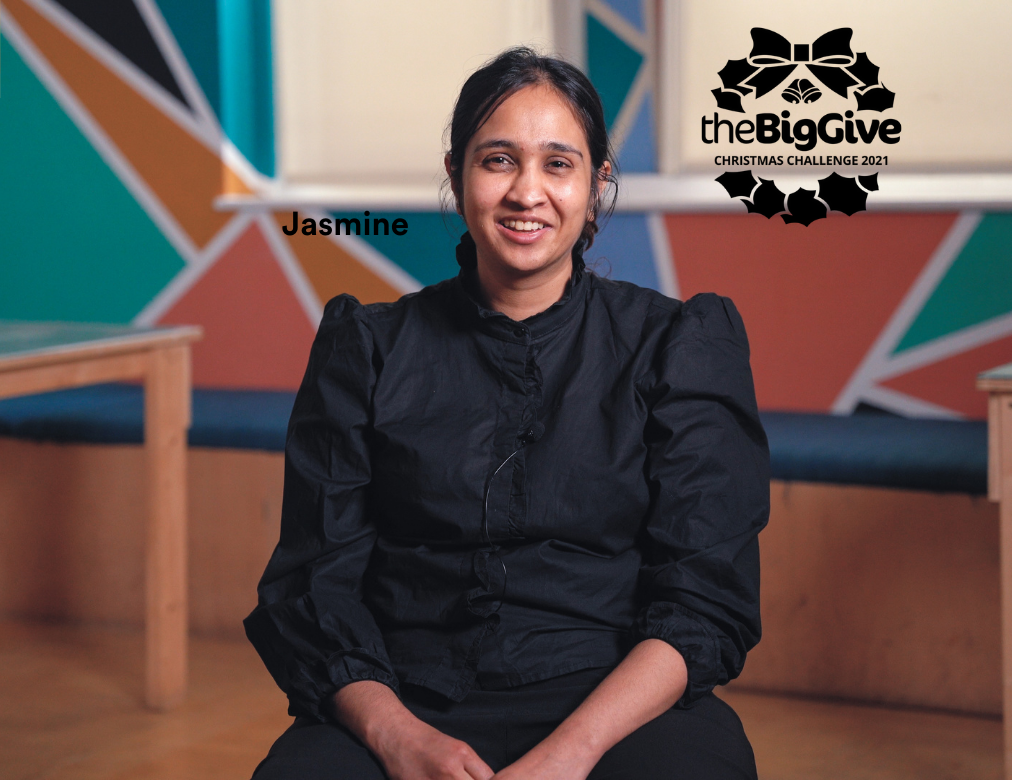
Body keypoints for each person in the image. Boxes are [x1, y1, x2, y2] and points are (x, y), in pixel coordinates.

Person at [244, 47, 770, 780]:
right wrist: (400, 738)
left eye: (559, 164)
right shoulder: (366, 348)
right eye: (498, 161)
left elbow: (704, 597)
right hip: (403, 692)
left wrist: (569, 755)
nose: (528, 192)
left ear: (596, 185)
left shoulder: (677, 345)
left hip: (612, 695)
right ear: (459, 176)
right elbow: (313, 583)